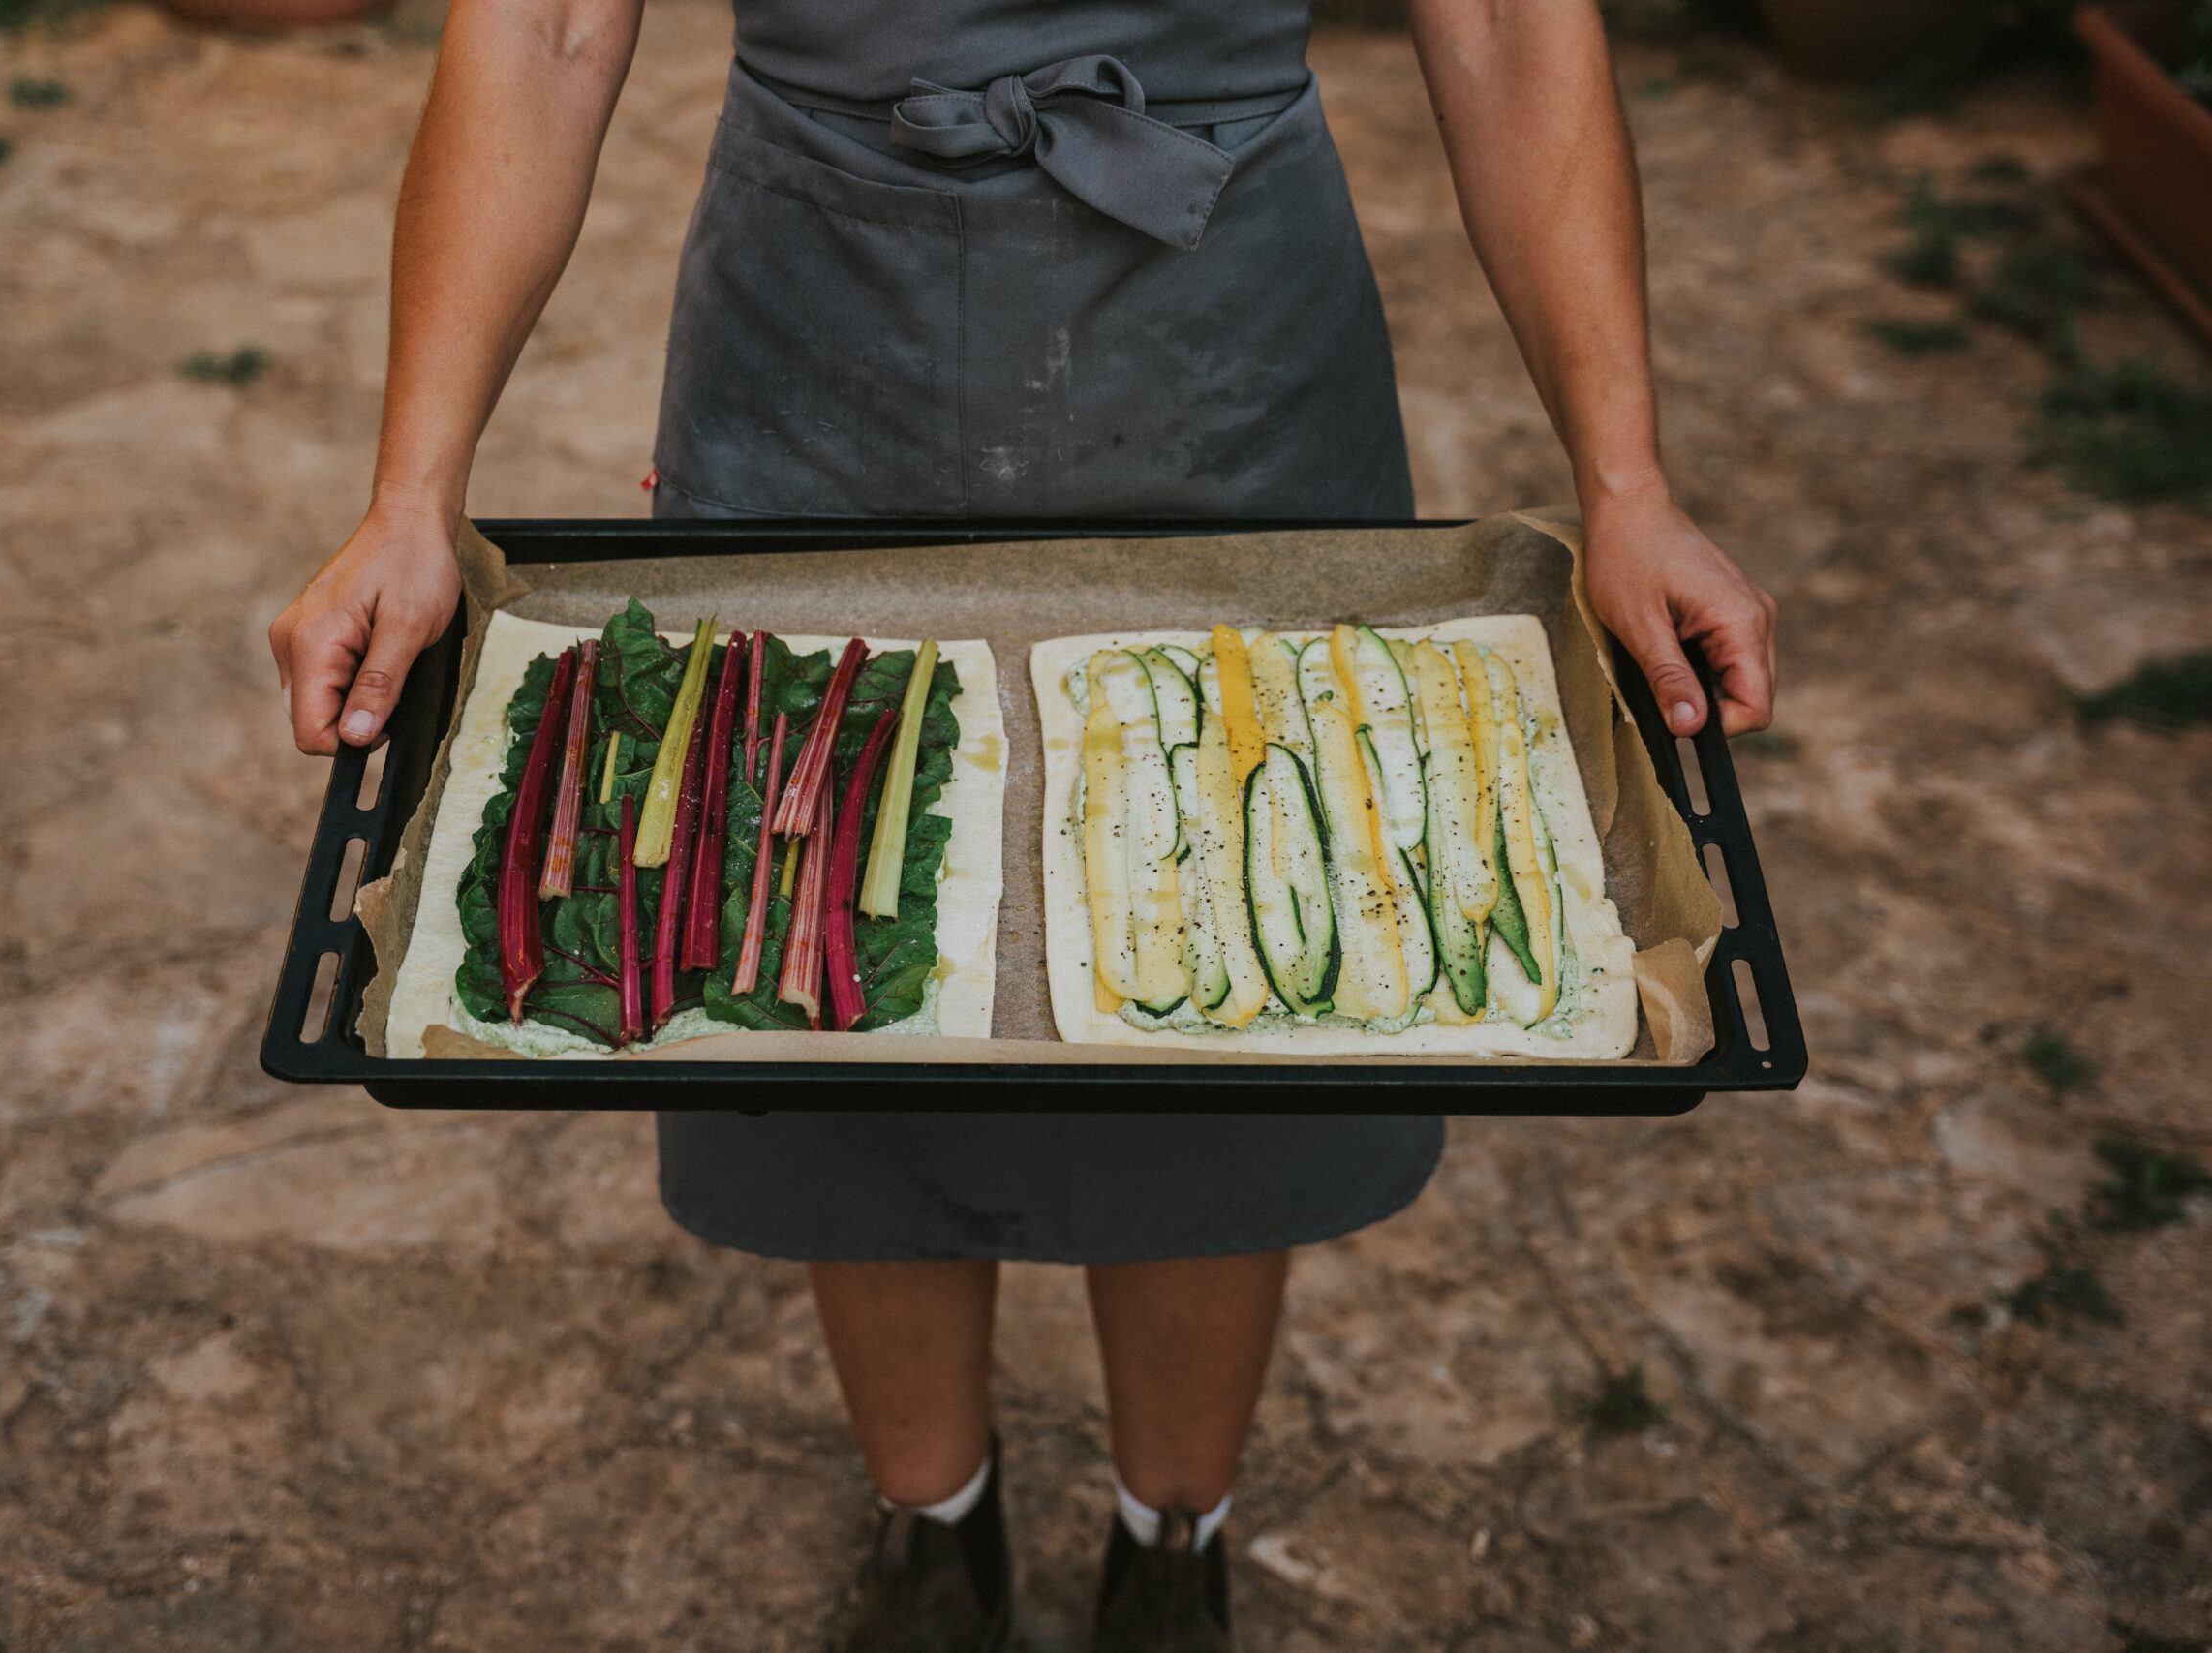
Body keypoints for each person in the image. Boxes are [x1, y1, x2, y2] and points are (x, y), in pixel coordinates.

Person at [268, 0, 1780, 1641]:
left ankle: (1172, 1540)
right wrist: (412, 496)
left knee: (1253, 984)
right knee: (807, 939)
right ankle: (935, 1534)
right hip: (816, 313)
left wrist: (1623, 481)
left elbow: (1501, 23)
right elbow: (548, 23)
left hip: (1227, 333)